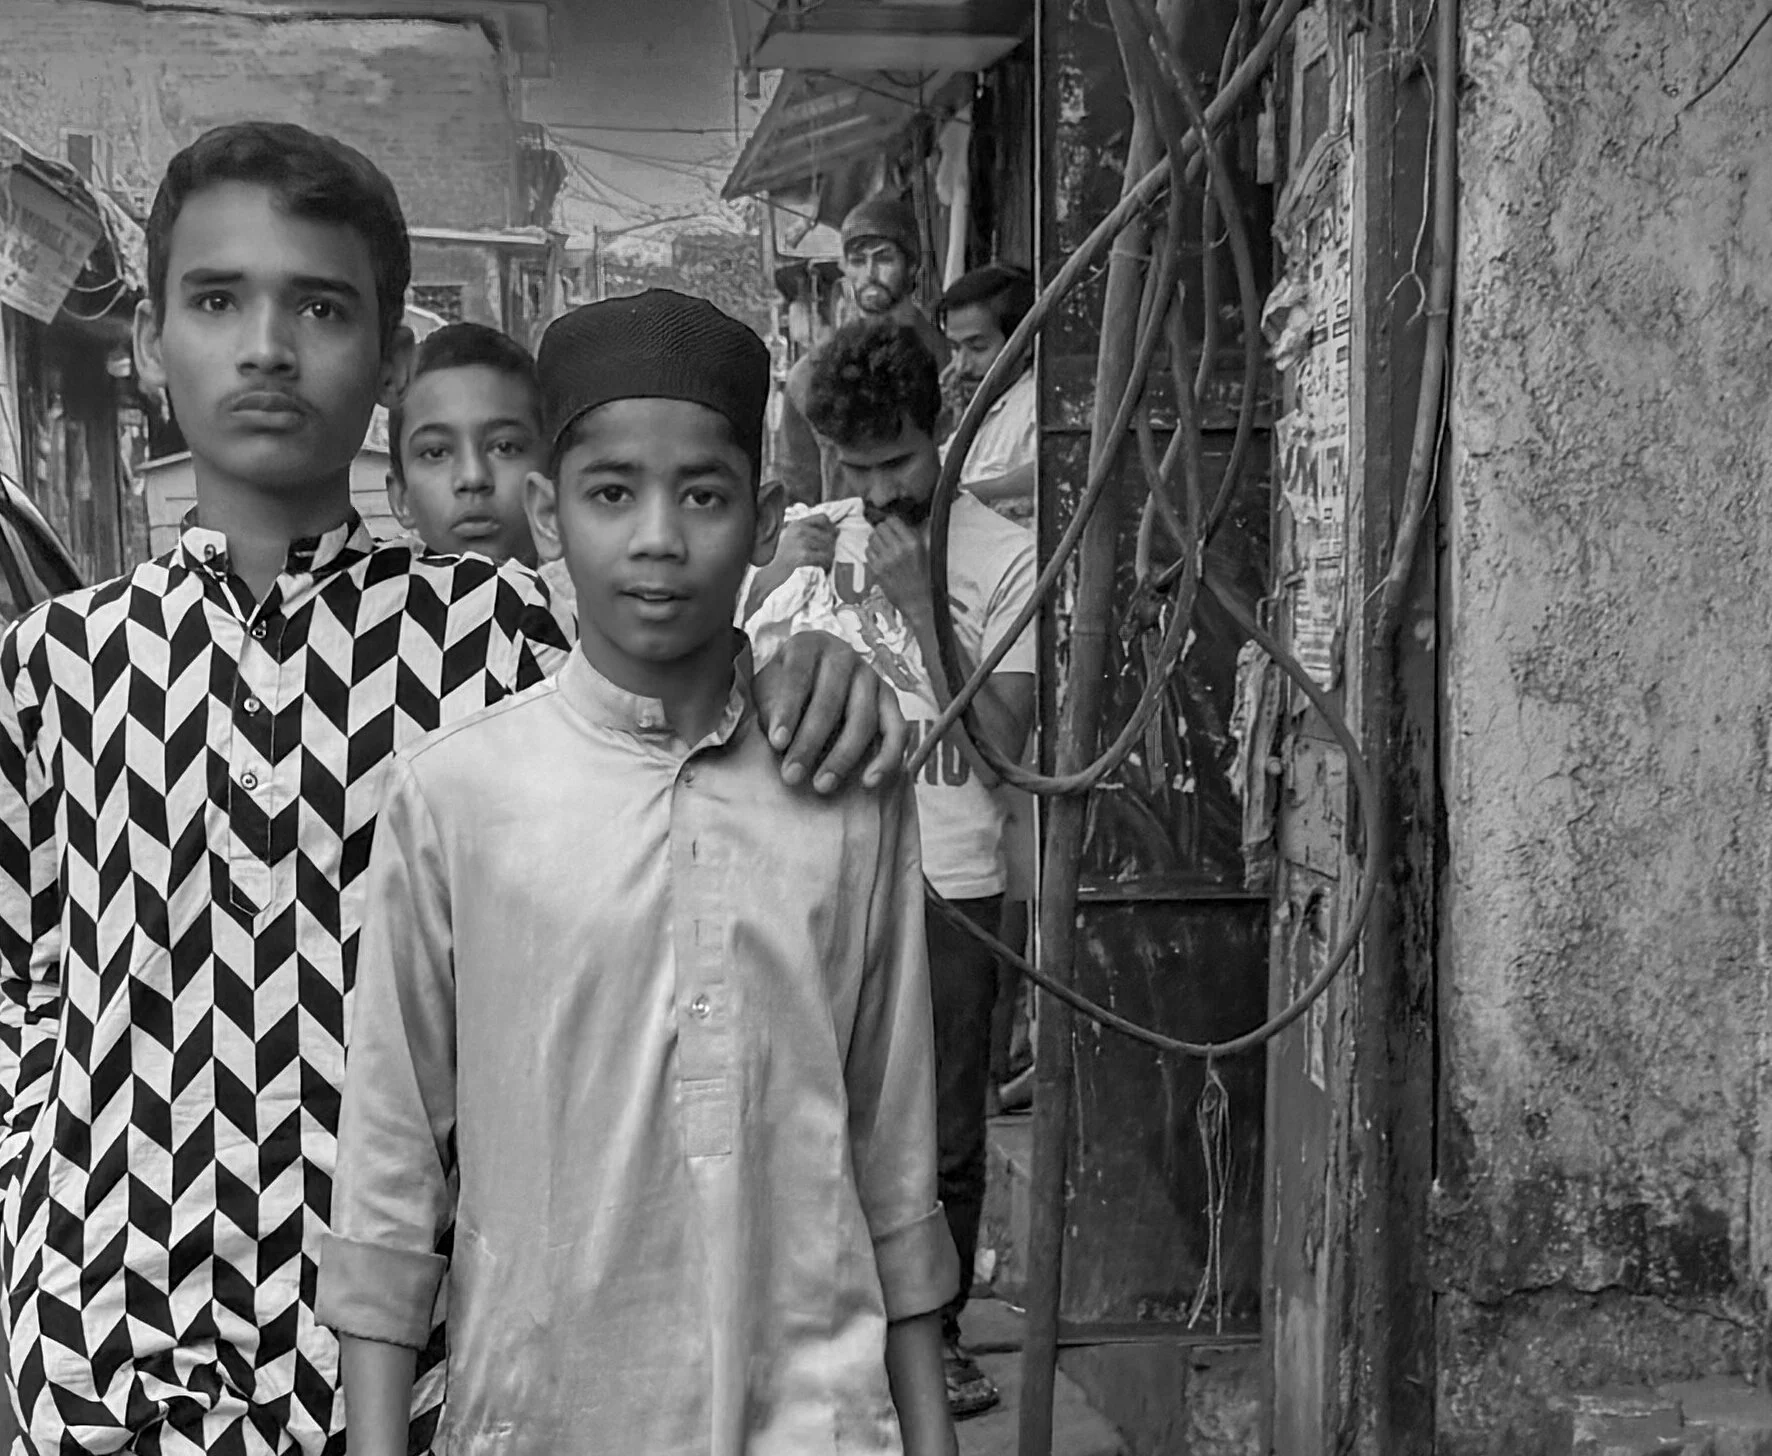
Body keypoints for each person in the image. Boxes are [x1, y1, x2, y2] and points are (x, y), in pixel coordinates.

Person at [0, 122, 904, 1456]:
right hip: (101, 1351)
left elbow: (676, 692)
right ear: (147, 349)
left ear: (383, 367)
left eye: (318, 305)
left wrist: (820, 658)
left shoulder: (494, 634)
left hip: (419, 1368)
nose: (265, 345)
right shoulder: (52, 663)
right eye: (215, 300)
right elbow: (23, 986)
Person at [318, 290, 959, 1456]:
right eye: (611, 491)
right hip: (542, 1412)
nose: (657, 535)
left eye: (702, 494)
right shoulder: (458, 796)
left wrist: (929, 1435)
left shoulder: (847, 788)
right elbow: (390, 1169)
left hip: (813, 1419)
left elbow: (891, 1148)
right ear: (547, 514)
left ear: (764, 518)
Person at [742, 319, 1036, 1421]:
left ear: (942, 435)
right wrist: (774, 572)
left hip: (950, 875)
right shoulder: (809, 539)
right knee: (812, 1109)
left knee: (943, 1129)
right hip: (812, 869)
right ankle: (823, 1328)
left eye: (896, 463)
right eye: (851, 467)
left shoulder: (1001, 554)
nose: (874, 491)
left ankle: (941, 1335)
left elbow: (1001, 745)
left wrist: (916, 607)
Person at [382, 319, 579, 608]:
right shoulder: (369, 634)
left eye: (505, 447)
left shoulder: (595, 626)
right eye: (436, 452)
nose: (473, 477)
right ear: (401, 497)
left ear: (551, 473)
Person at [773, 193, 951, 507]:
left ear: (912, 266)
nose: (870, 274)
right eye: (857, 261)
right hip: (848, 543)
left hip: (944, 535)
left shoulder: (951, 361)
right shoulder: (812, 373)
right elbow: (796, 488)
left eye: (883, 258)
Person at [939, 264, 1037, 526]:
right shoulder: (978, 407)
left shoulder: (1036, 404)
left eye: (977, 347)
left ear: (1024, 343)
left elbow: (1050, 472)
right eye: (955, 349)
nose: (961, 366)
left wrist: (957, 498)